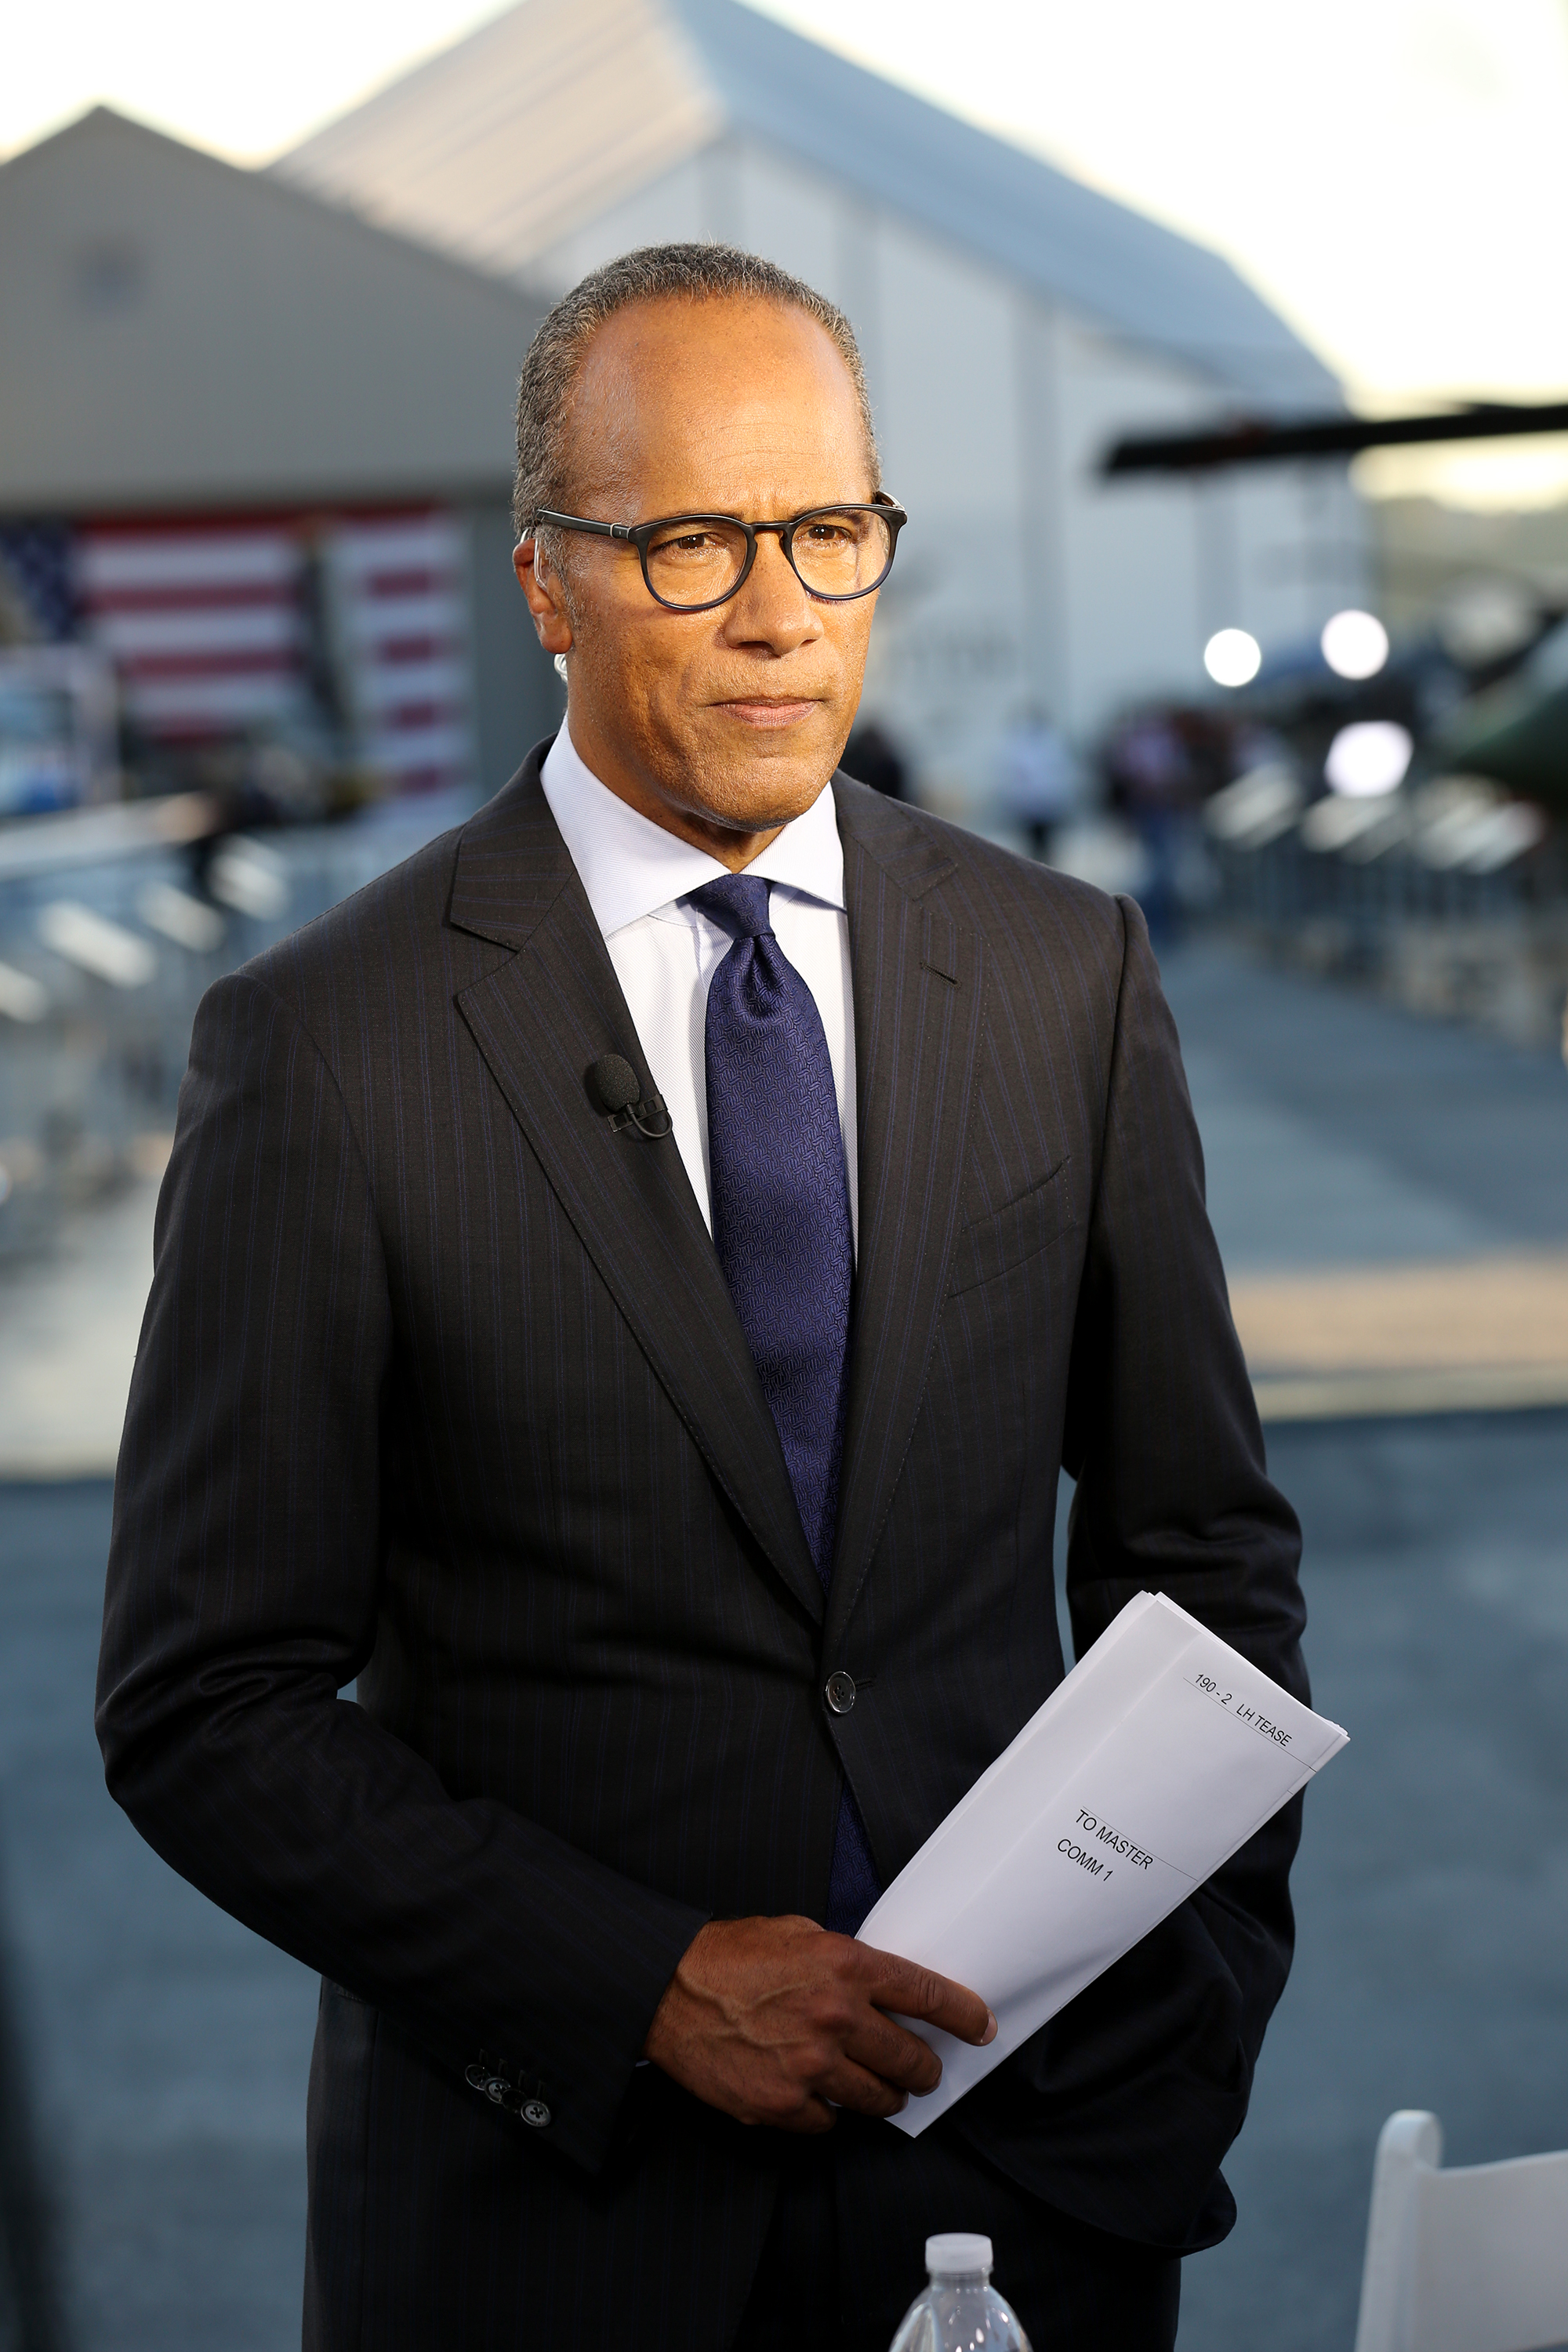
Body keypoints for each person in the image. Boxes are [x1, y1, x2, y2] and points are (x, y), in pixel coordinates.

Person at [97, 245, 1307, 2352]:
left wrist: (1182, 2031)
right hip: (553, 2226)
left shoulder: (1062, 975)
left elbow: (1200, 1562)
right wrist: (635, 1986)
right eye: (689, 543)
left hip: (1034, 2192)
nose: (778, 610)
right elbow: (207, 1706)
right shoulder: (328, 1044)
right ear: (547, 581)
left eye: (829, 531)